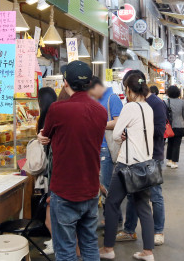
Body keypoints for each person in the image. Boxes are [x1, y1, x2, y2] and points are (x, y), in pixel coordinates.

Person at [38, 61, 107, 261]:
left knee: (66, 250)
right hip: (91, 189)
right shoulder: (100, 111)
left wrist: (41, 137)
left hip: (65, 190)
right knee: (89, 244)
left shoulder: (58, 109)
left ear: (66, 83)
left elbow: (46, 134)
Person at [100, 73, 155, 261]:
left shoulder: (130, 107)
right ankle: (148, 252)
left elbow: (116, 135)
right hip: (146, 164)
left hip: (127, 165)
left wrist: (122, 135)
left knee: (112, 204)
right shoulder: (148, 108)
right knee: (144, 207)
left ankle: (108, 249)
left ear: (129, 89)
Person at [117, 70, 167, 246]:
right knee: (133, 195)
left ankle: (158, 230)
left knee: (155, 196)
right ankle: (130, 230)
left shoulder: (155, 103)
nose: (126, 93)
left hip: (152, 157)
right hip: (134, 158)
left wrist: (136, 130)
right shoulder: (131, 104)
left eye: (127, 89)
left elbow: (161, 131)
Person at [88, 77, 123, 193]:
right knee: (96, 184)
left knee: (105, 185)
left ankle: (108, 208)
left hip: (106, 147)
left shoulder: (112, 98)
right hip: (94, 146)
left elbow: (118, 122)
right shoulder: (95, 99)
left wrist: (97, 125)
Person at [36, 87, 58, 255]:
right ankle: (56, 240)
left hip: (52, 171)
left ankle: (56, 242)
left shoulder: (45, 119)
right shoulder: (58, 114)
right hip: (58, 169)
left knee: (51, 207)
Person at [165, 86, 184, 169]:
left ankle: (169, 160)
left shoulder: (166, 102)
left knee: (170, 143)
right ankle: (174, 162)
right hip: (179, 125)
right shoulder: (182, 102)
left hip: (170, 126)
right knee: (177, 144)